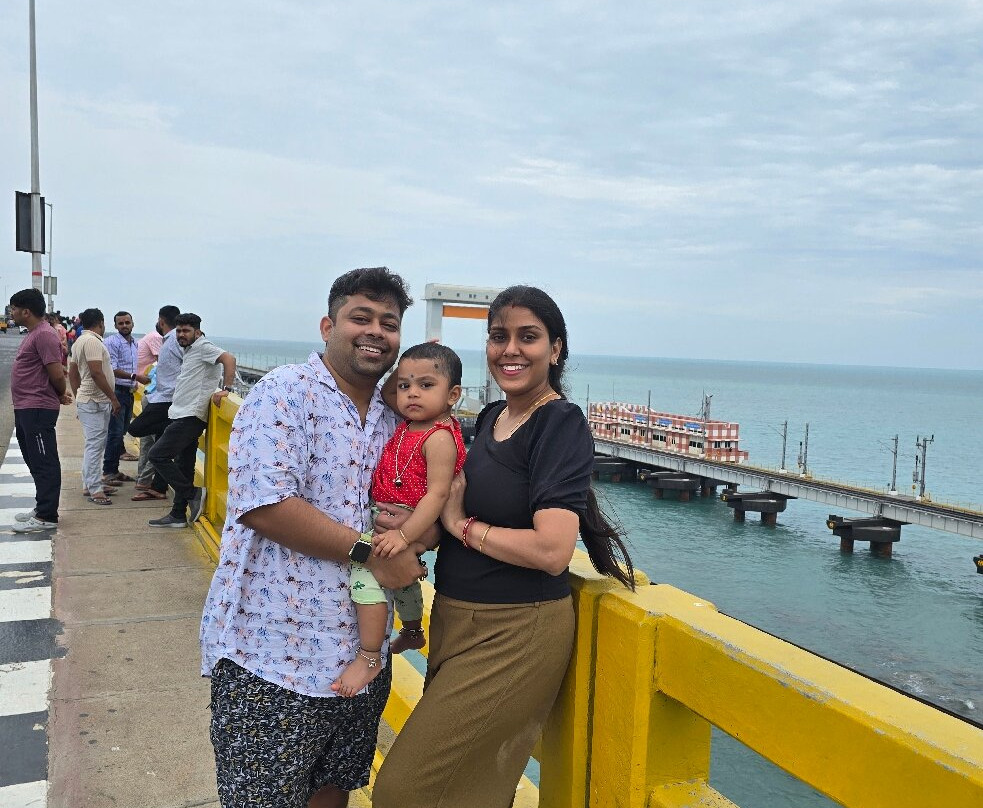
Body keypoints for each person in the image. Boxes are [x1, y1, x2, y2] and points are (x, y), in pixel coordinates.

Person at [373, 286, 636, 808]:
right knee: (466, 791)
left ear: (555, 349)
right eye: (498, 337)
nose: (510, 349)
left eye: (528, 337)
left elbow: (552, 550)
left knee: (404, 792)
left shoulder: (560, 423)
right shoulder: (492, 415)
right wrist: (418, 529)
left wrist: (458, 524)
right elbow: (452, 495)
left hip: (515, 628)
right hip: (455, 617)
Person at [199, 267, 429, 808]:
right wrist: (373, 554)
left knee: (333, 788)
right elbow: (266, 506)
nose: (376, 332)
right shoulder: (283, 393)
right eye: (360, 318)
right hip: (272, 653)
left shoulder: (396, 419)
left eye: (389, 323)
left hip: (360, 654)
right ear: (328, 326)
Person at [332, 342, 467, 697]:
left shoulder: (439, 438)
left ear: (453, 395)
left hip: (408, 523)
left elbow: (438, 495)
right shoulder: (412, 423)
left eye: (426, 385)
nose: (411, 393)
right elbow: (388, 391)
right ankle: (411, 629)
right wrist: (405, 364)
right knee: (403, 580)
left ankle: (369, 655)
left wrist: (405, 536)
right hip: (393, 518)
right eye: (406, 385)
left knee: (365, 573)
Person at [147, 313, 236, 527]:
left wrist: (226, 389)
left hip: (190, 416)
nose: (181, 335)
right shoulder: (189, 350)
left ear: (197, 332)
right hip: (181, 413)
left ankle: (193, 493)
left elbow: (229, 359)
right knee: (184, 466)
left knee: (157, 455)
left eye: (186, 331)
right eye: (178, 331)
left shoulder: (203, 346)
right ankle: (178, 514)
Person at [8, 288, 72, 533]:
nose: (11, 312)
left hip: (37, 408)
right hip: (26, 406)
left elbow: (56, 373)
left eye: (14, 308)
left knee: (44, 461)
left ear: (26, 311)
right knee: (34, 459)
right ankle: (41, 507)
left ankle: (47, 515)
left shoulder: (44, 334)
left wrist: (60, 392)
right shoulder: (34, 333)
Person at [68, 309, 122, 505]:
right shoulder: (92, 342)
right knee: (95, 446)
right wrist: (113, 398)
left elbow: (73, 374)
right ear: (101, 322)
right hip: (95, 401)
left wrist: (79, 398)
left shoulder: (79, 341)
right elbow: (96, 373)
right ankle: (95, 489)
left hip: (89, 400)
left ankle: (90, 483)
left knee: (93, 445)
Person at [130, 305, 180, 498]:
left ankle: (159, 485)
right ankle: (158, 487)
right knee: (158, 442)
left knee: (136, 429)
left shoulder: (173, 340)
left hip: (166, 399)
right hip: (160, 396)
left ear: (161, 320)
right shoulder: (168, 340)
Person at [103, 311, 149, 482]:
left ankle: (114, 470)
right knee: (114, 433)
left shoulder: (134, 343)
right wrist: (135, 377)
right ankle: (108, 471)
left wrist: (133, 382)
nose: (124, 326)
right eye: (120, 323)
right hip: (116, 391)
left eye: (127, 322)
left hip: (128, 392)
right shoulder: (112, 342)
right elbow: (112, 368)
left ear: (132, 323)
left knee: (121, 432)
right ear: (115, 325)